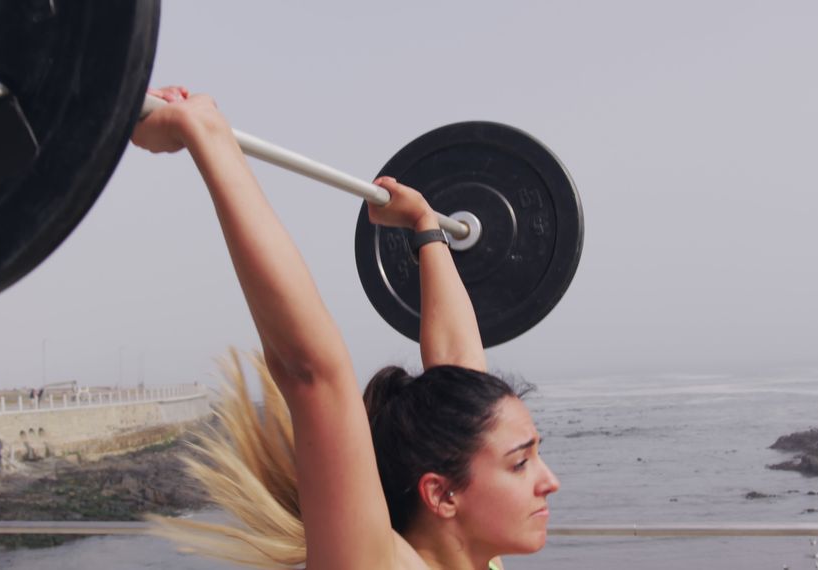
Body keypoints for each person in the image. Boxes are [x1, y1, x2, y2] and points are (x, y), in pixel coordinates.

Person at [134, 87, 559, 570]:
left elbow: (459, 372)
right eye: (521, 462)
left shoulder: (475, 557)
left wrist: (426, 227)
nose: (550, 481)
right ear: (441, 495)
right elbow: (311, 372)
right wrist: (205, 134)